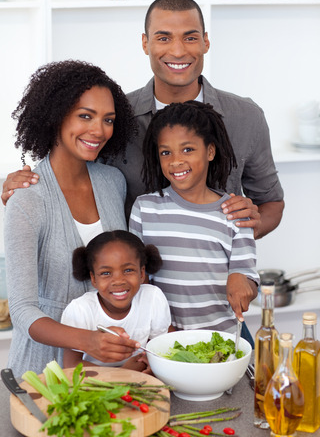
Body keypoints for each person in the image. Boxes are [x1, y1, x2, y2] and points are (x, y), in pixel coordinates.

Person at [1, 0, 284, 240]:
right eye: (163, 38)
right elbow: (70, 175)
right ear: (145, 43)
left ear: (205, 43)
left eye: (190, 37)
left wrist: (245, 230)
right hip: (130, 291)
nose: (177, 50)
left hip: (214, 290)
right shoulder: (115, 117)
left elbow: (271, 202)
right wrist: (27, 186)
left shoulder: (246, 117)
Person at [4, 60, 144, 377]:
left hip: (110, 369)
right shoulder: (26, 199)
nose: (99, 130)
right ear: (55, 116)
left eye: (108, 120)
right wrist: (86, 340)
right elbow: (22, 311)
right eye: (85, 116)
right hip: (43, 371)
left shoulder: (112, 182)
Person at [129, 101, 260, 336]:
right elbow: (139, 278)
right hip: (163, 341)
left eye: (187, 149)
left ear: (210, 151)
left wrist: (242, 281)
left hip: (221, 341)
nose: (176, 161)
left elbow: (247, 277)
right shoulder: (144, 209)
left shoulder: (234, 212)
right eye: (166, 152)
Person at [61, 230, 171, 371]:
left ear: (142, 273)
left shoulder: (153, 298)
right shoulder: (80, 310)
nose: (118, 281)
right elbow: (71, 365)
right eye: (106, 273)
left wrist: (150, 362)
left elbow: (161, 347)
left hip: (140, 383)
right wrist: (123, 373)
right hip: (95, 386)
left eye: (128, 270)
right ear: (93, 278)